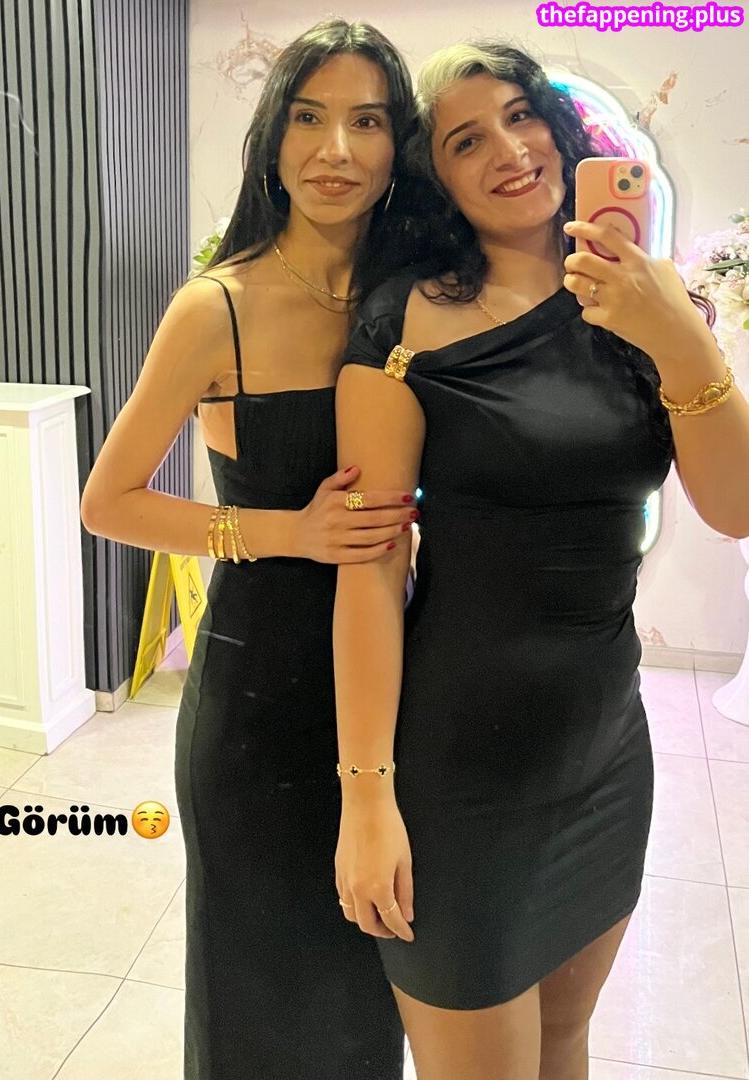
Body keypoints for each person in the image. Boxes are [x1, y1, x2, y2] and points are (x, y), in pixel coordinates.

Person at [332, 40, 749, 1080]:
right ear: (435, 176)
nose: (511, 150)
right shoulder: (400, 323)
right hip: (457, 772)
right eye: (467, 140)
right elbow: (371, 570)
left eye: (523, 116)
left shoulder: (640, 298)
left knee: (565, 1045)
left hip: (605, 752)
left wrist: (677, 336)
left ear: (560, 130)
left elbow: (735, 507)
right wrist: (367, 796)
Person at [81, 19, 421, 1080]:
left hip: (401, 691)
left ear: (399, 145)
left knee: (369, 995)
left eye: (367, 121)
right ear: (273, 138)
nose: (336, 150)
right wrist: (287, 532)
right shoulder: (216, 306)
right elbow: (108, 501)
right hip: (259, 702)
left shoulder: (419, 298)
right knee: (257, 1001)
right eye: (309, 118)